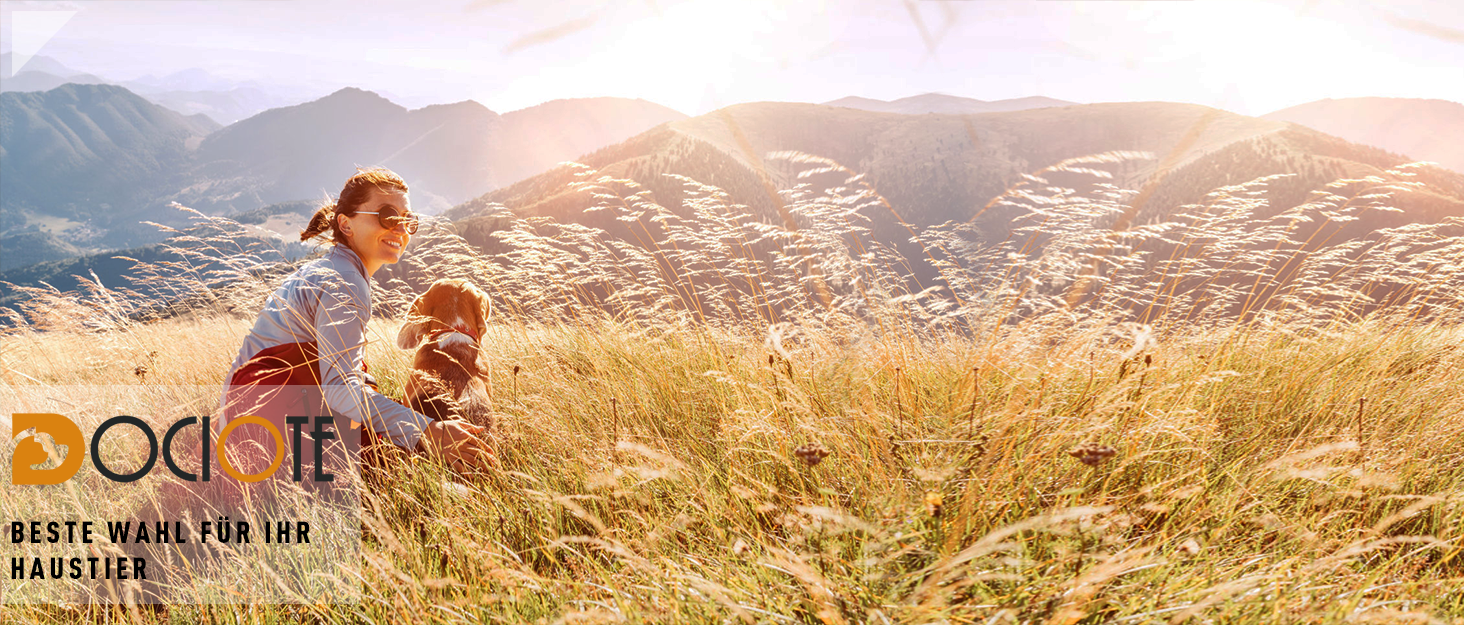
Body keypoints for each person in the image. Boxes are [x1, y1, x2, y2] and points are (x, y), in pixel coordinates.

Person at [219, 167, 495, 476]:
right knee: (399, 469)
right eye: (388, 216)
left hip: (244, 423)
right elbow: (339, 389)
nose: (401, 228)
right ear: (346, 224)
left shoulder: (334, 269)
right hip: (263, 434)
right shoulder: (345, 280)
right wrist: (429, 431)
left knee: (394, 442)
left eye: (408, 220)